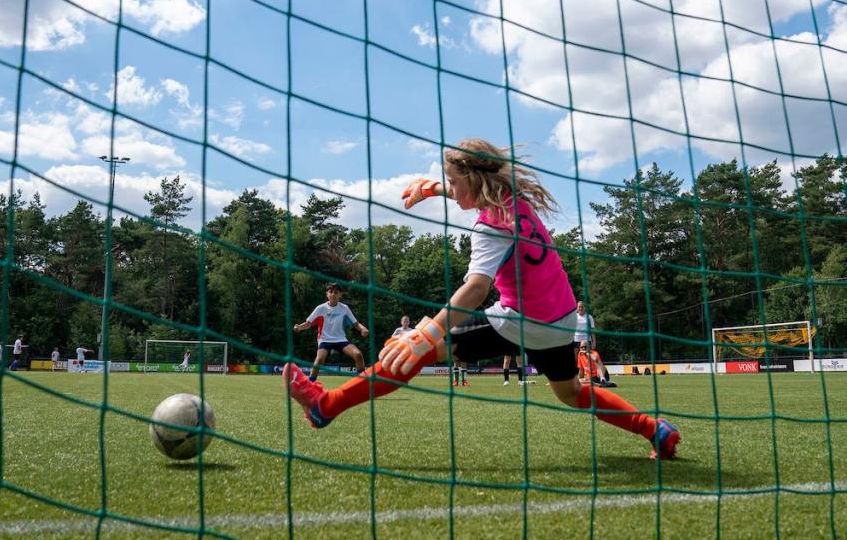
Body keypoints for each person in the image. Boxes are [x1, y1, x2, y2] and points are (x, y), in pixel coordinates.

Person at [283, 139, 680, 460]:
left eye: (453, 182)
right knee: (572, 392)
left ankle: (326, 405)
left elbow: (475, 288)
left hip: (518, 319)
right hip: (559, 322)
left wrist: (430, 331)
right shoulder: (514, 200)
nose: (451, 190)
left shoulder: (490, 226)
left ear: (473, 181)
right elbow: (468, 190)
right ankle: (654, 429)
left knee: (407, 350)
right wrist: (436, 188)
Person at [292, 283, 369, 381]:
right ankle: (310, 383)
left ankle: (362, 381)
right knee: (320, 359)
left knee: (358, 354)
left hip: (341, 339)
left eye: (336, 292)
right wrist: (299, 327)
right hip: (324, 340)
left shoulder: (344, 308)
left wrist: (363, 329)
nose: (333, 294)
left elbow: (356, 323)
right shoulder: (320, 308)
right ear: (327, 294)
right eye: (330, 292)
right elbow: (308, 323)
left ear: (340, 295)